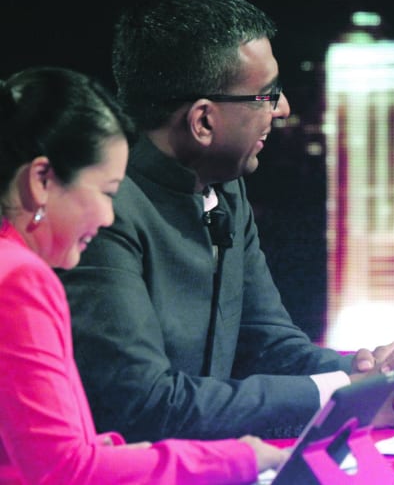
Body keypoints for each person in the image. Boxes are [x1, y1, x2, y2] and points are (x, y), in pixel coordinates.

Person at [58, 0, 394, 442]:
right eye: (267, 94)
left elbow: (266, 343)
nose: (283, 109)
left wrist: (372, 376)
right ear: (203, 121)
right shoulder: (102, 213)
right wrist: (338, 394)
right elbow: (145, 405)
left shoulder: (226, 188)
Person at [0, 66, 287, 483]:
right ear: (42, 179)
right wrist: (236, 458)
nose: (108, 216)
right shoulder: (19, 278)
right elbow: (66, 470)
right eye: (105, 193)